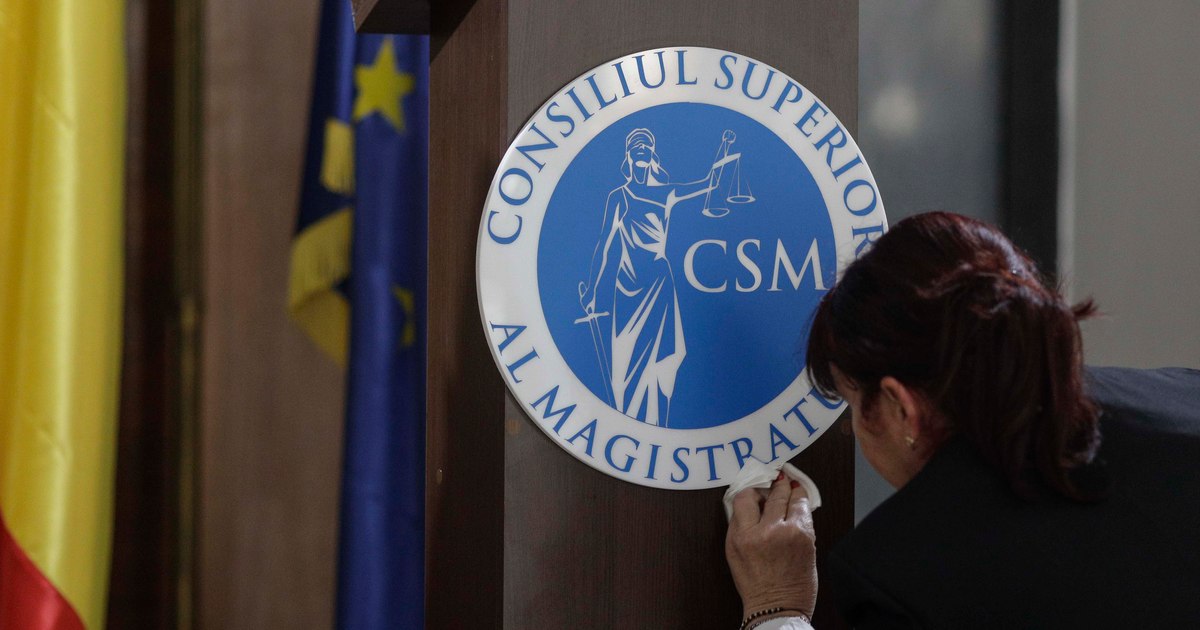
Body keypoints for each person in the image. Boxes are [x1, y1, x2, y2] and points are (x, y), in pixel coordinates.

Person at [725, 211, 1200, 629]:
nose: (852, 430)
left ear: (900, 407)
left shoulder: (910, 579)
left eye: (853, 406)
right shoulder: (1184, 395)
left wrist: (777, 608)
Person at [579, 127, 736, 426]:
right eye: (636, 147)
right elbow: (603, 245)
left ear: (652, 155)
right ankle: (627, 424)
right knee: (622, 368)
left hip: (658, 284)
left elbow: (709, 184)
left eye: (646, 147)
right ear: (628, 156)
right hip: (627, 287)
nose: (641, 151)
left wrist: (724, 151)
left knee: (661, 362)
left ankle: (657, 424)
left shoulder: (665, 193)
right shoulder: (619, 196)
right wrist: (592, 292)